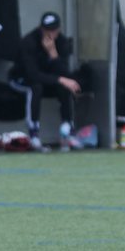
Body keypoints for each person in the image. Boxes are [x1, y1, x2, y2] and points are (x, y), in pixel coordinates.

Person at [9, 11, 83, 151]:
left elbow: (65, 74)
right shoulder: (29, 42)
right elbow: (32, 75)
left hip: (47, 80)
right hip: (21, 79)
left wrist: (54, 55)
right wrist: (60, 79)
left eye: (53, 31)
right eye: (46, 30)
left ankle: (68, 129)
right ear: (40, 28)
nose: (49, 34)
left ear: (58, 30)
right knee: (35, 87)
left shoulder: (61, 42)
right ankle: (34, 134)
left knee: (64, 86)